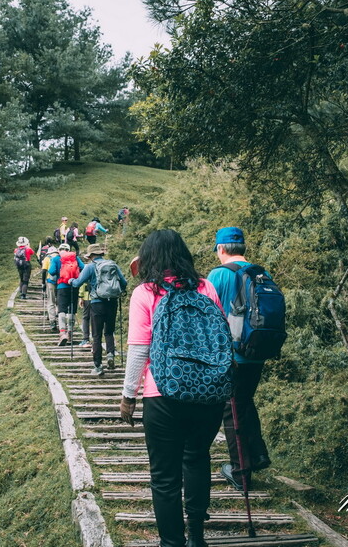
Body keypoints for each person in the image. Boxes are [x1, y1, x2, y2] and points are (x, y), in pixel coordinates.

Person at [119, 230, 224, 547]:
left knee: (164, 477)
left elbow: (139, 350)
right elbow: (221, 340)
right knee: (197, 458)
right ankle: (197, 535)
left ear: (148, 257)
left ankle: (171, 543)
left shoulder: (145, 292)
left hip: (163, 394)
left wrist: (128, 397)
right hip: (208, 394)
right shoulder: (206, 286)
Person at [206, 226, 271, 491]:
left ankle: (241, 473)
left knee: (231, 411)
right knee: (243, 402)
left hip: (232, 355)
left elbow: (209, 316)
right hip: (258, 351)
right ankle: (258, 456)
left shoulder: (218, 274)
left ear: (221, 249)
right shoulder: (261, 272)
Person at [70, 243, 128, 376]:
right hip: (112, 302)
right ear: (101, 253)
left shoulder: (90, 267)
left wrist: (71, 282)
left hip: (96, 303)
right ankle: (110, 355)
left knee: (96, 335)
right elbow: (123, 282)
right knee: (109, 331)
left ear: (90, 256)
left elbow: (78, 282)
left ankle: (98, 366)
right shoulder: (112, 264)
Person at [48, 243, 85, 345]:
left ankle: (63, 333)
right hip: (74, 286)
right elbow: (83, 267)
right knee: (72, 310)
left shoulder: (56, 259)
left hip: (62, 287)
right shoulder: (75, 258)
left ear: (59, 250)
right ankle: (70, 332)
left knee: (62, 310)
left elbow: (51, 271)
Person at [41, 245, 59, 330]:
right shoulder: (60, 257)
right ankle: (59, 316)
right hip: (61, 282)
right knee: (59, 301)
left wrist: (43, 283)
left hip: (50, 281)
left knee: (51, 301)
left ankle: (52, 321)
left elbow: (44, 270)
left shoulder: (47, 258)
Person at [77, 282, 92, 348]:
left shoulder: (87, 271)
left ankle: (86, 339)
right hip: (100, 297)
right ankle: (96, 341)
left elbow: (83, 282)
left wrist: (81, 296)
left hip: (88, 297)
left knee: (86, 318)